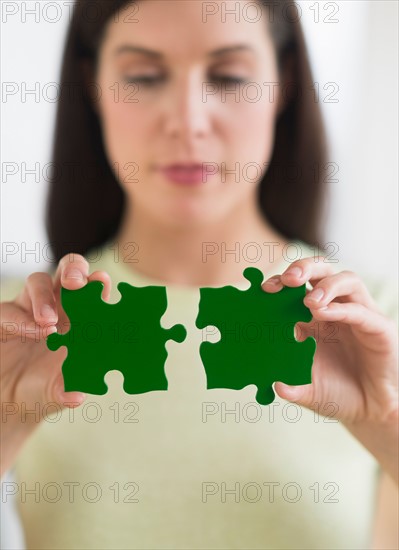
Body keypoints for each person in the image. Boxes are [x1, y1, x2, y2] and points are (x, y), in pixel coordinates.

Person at [1, 1, 398, 548]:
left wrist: (388, 429)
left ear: (281, 85)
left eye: (229, 76)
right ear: (93, 86)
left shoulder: (377, 326)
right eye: (143, 76)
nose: (188, 120)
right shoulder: (18, 330)